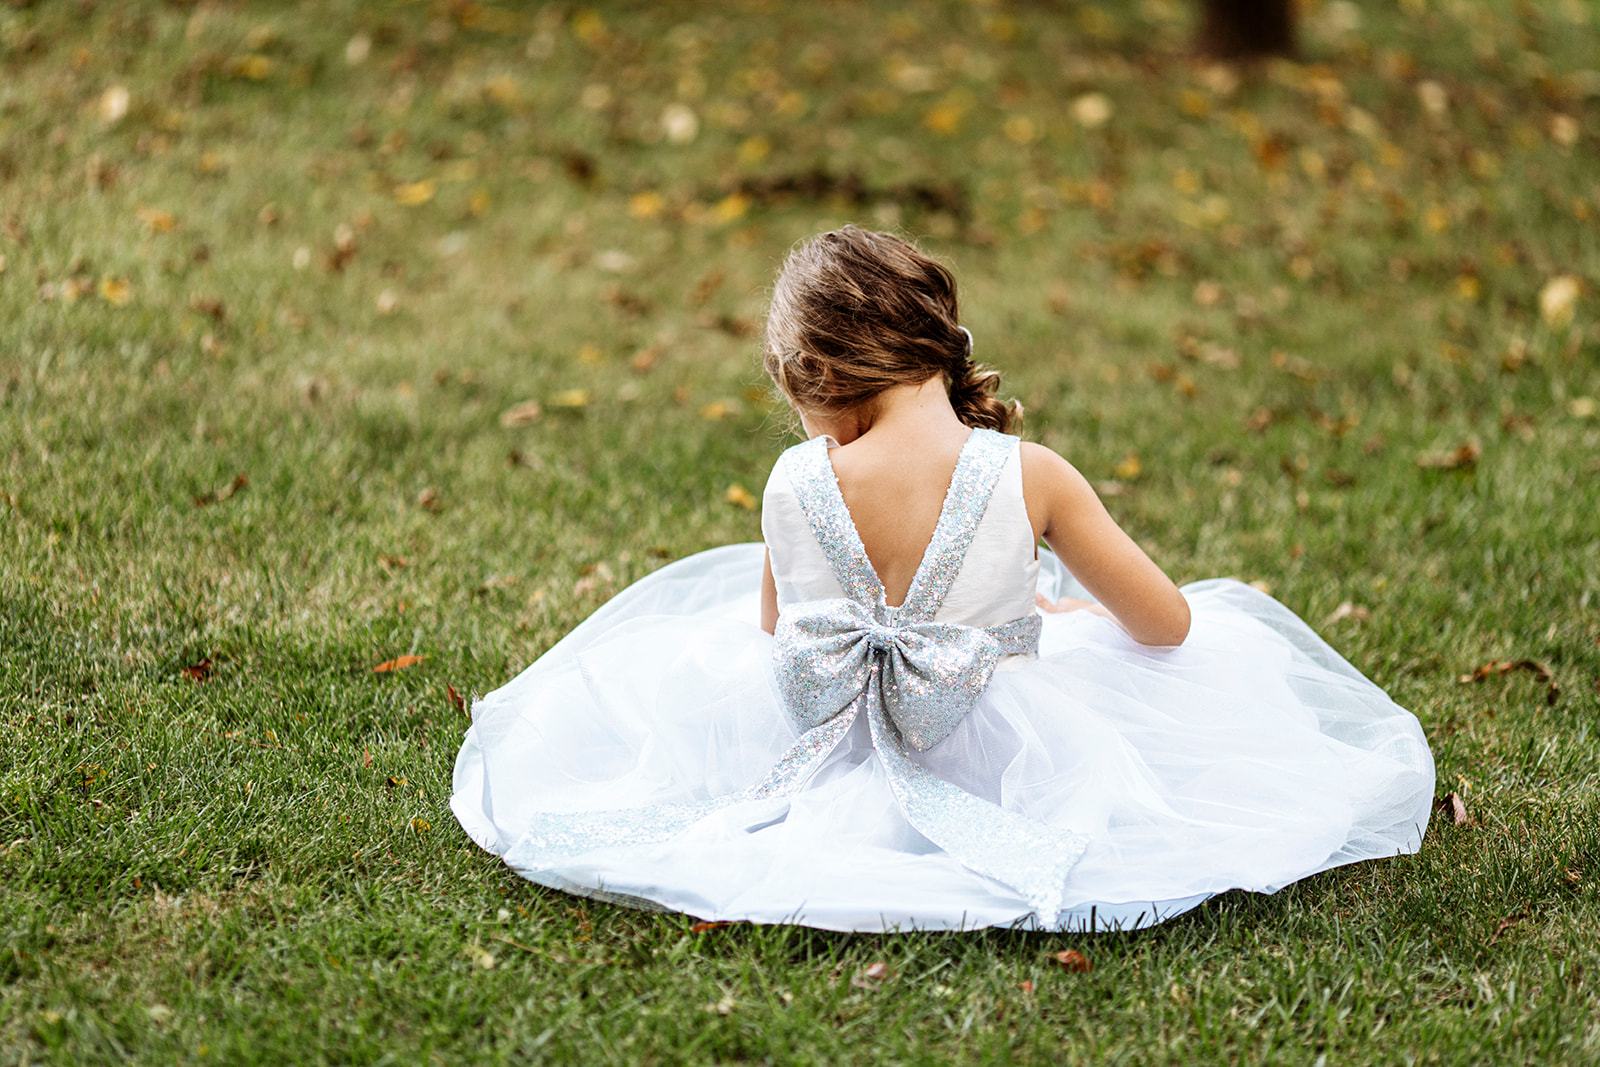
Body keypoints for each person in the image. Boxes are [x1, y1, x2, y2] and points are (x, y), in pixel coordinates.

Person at [450, 225, 1435, 932]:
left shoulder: (795, 480)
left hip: (823, 736)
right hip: (1001, 743)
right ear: (935, 341)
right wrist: (1045, 610)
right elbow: (1168, 625)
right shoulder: (1029, 472)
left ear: (809, 378)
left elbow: (773, 634)